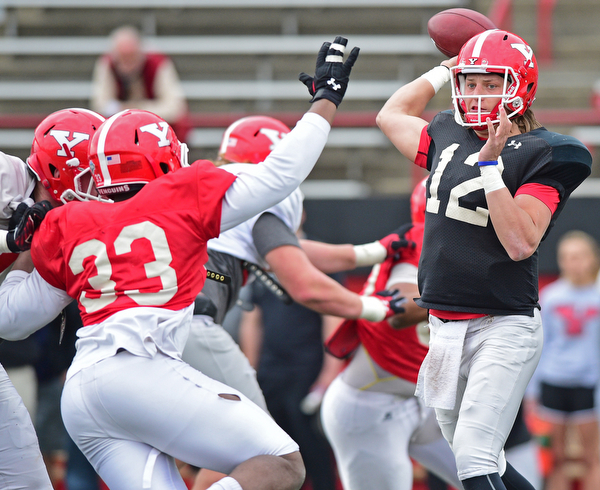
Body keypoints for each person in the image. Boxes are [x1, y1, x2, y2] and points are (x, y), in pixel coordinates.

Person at [0, 37, 365, 490]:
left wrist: (18, 241)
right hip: (143, 368)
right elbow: (282, 172)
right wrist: (326, 100)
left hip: (84, 392)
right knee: (280, 463)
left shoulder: (66, 222)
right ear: (164, 158)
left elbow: (10, 319)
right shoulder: (180, 196)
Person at [376, 28, 592, 490]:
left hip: (502, 323)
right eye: (470, 82)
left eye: (490, 83)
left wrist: (492, 167)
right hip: (443, 325)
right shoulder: (448, 131)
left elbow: (520, 243)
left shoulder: (549, 152)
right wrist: (444, 67)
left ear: (520, 86)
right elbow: (390, 115)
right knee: (477, 460)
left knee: (474, 458)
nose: (476, 94)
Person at [180, 114, 405, 489]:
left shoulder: (210, 194)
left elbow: (292, 249)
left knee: (214, 451)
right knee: (269, 455)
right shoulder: (259, 201)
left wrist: (372, 251)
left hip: (135, 329)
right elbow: (306, 286)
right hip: (190, 326)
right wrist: (380, 307)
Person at [320, 178, 463, 490]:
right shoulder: (425, 246)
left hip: (420, 401)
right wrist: (469, 296)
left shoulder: (444, 245)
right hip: (373, 404)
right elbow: (402, 309)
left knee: (492, 479)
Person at [0, 107, 105, 490]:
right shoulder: (4, 177)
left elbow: (9, 322)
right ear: (60, 170)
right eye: (93, 175)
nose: (101, 187)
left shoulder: (56, 223)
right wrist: (10, 239)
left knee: (28, 481)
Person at [237, 217, 345, 490]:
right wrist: (250, 372)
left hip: (307, 367)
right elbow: (253, 318)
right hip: (271, 370)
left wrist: (328, 374)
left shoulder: (319, 258)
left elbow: (333, 316)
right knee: (275, 448)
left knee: (312, 445)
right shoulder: (259, 259)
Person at [527, 231, 600, 490]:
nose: (573, 263)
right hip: (554, 382)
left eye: (579, 256)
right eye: (567, 257)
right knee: (554, 459)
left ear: (592, 259)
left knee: (592, 458)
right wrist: (532, 392)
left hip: (589, 385)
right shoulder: (551, 297)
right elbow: (539, 345)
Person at [90, 24, 190, 142]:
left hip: (156, 128)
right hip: (120, 127)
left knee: (181, 124)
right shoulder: (107, 64)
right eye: (123, 58)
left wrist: (138, 110)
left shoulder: (158, 63)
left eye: (131, 56)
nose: (128, 63)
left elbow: (175, 107)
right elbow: (99, 105)